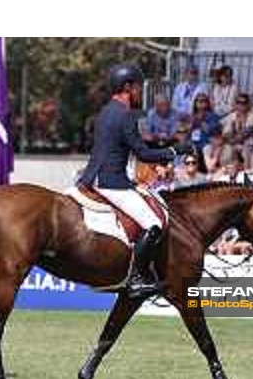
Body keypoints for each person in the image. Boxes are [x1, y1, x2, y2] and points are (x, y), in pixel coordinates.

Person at [77, 63, 188, 298]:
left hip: (92, 177)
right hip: (111, 182)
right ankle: (136, 278)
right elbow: (144, 154)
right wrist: (175, 151)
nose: (140, 93)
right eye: (138, 87)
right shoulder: (126, 115)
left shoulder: (106, 111)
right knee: (154, 223)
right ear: (128, 87)